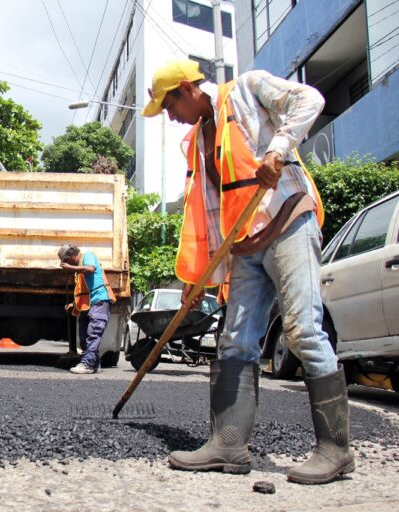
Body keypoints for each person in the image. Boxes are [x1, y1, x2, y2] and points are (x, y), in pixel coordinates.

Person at [142, 60, 353, 484]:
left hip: (287, 220)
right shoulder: (199, 140)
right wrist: (197, 278)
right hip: (245, 244)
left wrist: (276, 148)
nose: (169, 116)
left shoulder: (248, 88)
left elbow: (310, 99)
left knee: (302, 330)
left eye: (169, 105)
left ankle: (335, 450)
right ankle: (228, 444)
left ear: (187, 89)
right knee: (234, 340)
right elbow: (206, 213)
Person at [57, 244, 116, 374]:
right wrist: (74, 303)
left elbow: (90, 269)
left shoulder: (87, 256)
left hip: (100, 299)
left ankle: (88, 363)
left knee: (93, 332)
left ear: (72, 256)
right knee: (83, 333)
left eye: (65, 261)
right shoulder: (79, 272)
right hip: (89, 303)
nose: (64, 264)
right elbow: (83, 290)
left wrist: (71, 268)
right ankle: (94, 363)